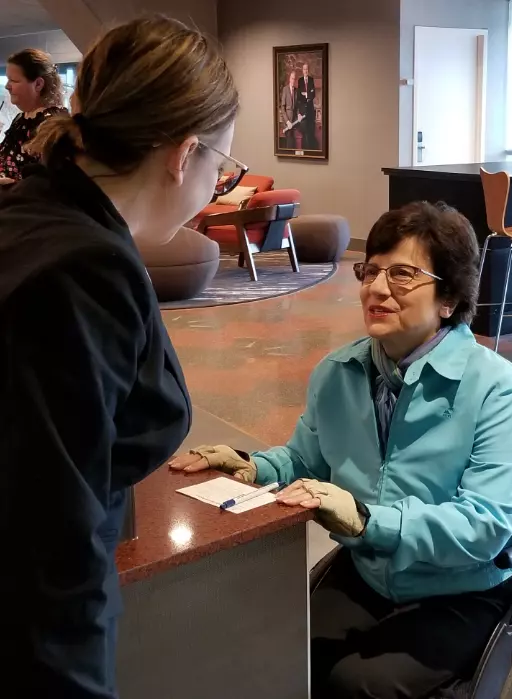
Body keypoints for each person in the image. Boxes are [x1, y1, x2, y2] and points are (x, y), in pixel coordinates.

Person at [170, 201, 512, 699]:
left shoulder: (497, 388)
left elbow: (489, 523)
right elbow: (305, 460)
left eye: (403, 274)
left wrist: (368, 522)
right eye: (371, 271)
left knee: (360, 683)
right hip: (370, 571)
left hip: (465, 585)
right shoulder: (338, 372)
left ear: (448, 298)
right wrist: (252, 466)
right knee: (278, 650)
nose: (377, 288)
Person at [0, 15, 239, 698]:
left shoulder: (36, 216)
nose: (214, 185)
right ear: (183, 153)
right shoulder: (81, 270)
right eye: (221, 166)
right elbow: (52, 541)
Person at [0, 48, 67, 184]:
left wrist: (13, 185)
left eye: (14, 80)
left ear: (38, 84)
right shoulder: (20, 119)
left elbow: (54, 183)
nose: (7, 86)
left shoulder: (53, 123)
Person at [281, 70, 302, 149]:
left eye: (294, 79)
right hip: (287, 123)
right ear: (289, 79)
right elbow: (282, 108)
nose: (293, 80)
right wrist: (287, 121)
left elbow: (297, 107)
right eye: (292, 78)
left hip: (294, 122)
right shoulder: (285, 89)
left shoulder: (296, 91)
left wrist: (299, 114)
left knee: (295, 143)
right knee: (290, 143)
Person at [298, 62, 317, 150]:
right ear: (302, 70)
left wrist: (305, 94)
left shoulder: (311, 80)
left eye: (307, 69)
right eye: (304, 69)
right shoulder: (300, 81)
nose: (305, 71)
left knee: (310, 132)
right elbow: (299, 95)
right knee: (304, 132)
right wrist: (307, 95)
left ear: (308, 70)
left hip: (310, 110)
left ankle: (310, 150)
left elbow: (313, 95)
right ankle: (304, 150)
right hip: (302, 111)